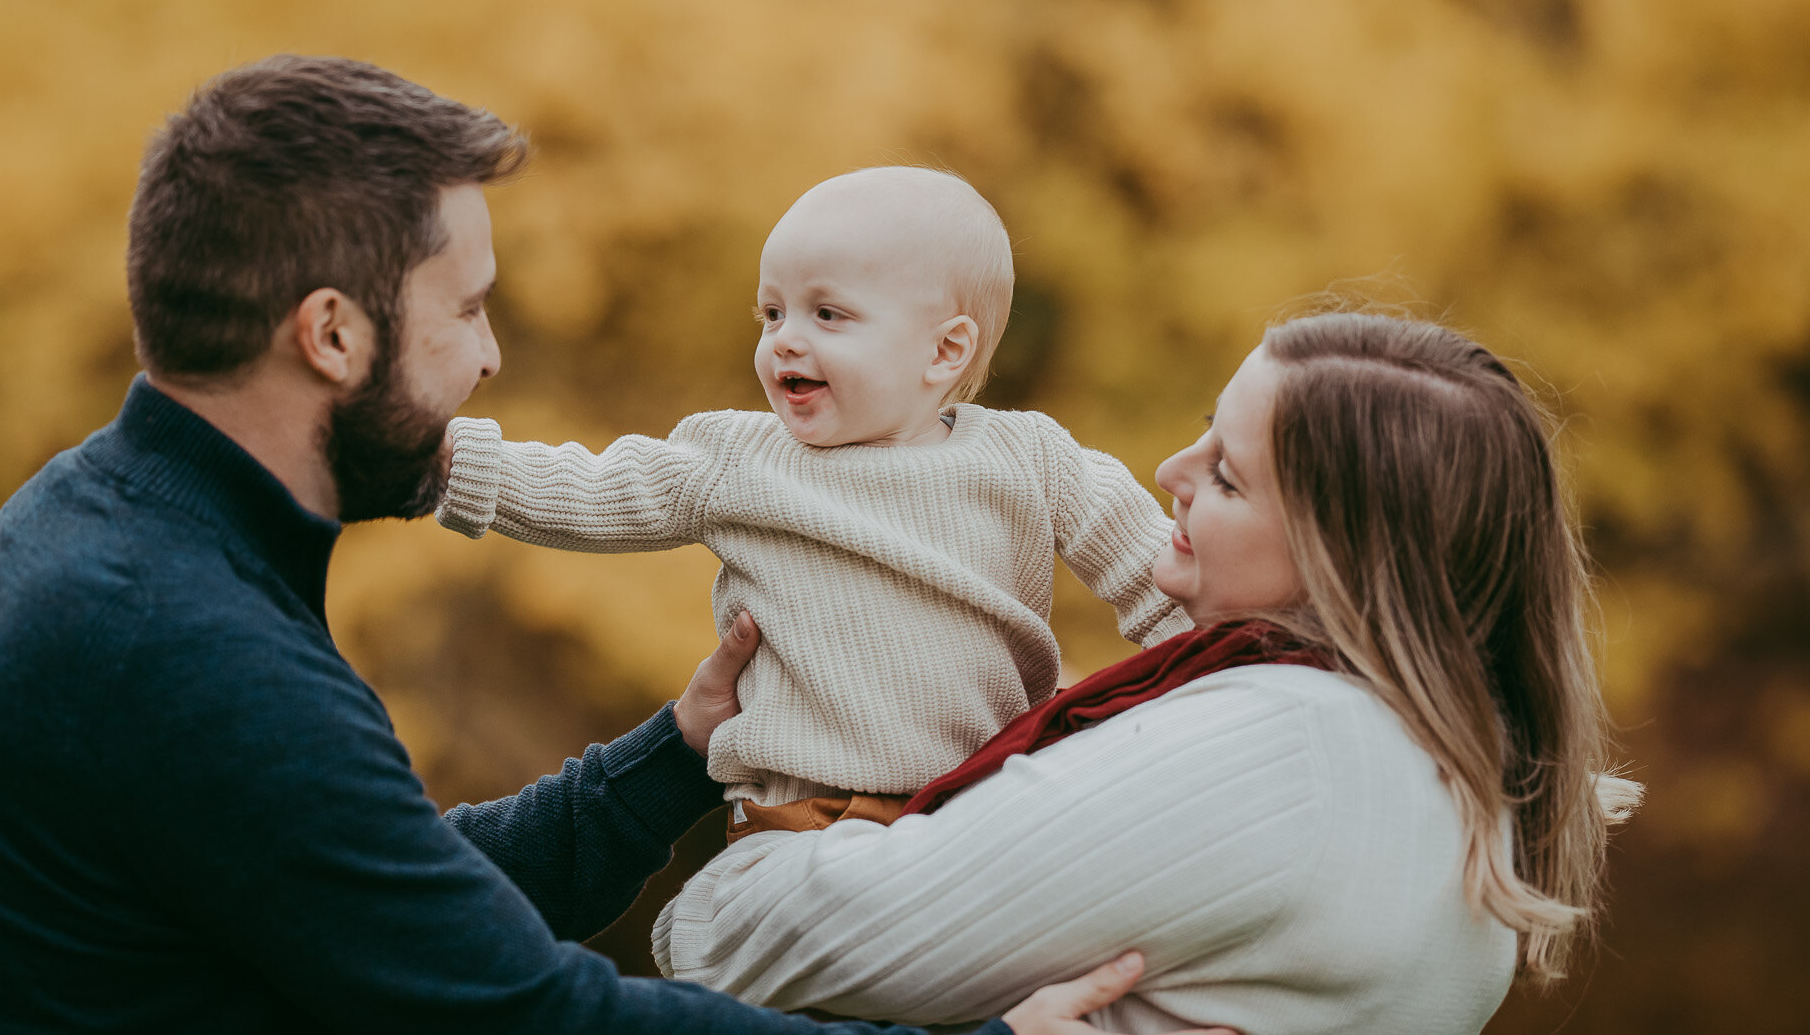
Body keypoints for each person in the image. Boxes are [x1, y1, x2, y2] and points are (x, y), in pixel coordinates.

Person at [0, 56, 1205, 1034]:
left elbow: (388, 892)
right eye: (464, 308)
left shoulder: (109, 525)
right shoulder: (176, 642)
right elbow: (517, 1010)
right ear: (335, 335)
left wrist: (678, 753)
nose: (494, 354)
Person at [656, 313, 1641, 1035]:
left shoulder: (1274, 751)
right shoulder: (1443, 764)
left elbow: (733, 948)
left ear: (1339, 561)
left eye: (1225, 476)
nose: (1172, 467)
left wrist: (754, 839)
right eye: (1203, 429)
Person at [435, 166, 1189, 840]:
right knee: (780, 923)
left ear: (945, 351)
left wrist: (1236, 667)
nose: (784, 341)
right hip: (805, 822)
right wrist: (442, 458)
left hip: (980, 810)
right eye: (772, 314)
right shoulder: (742, 459)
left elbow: (1160, 573)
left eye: (828, 315)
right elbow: (601, 488)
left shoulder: (1030, 460)